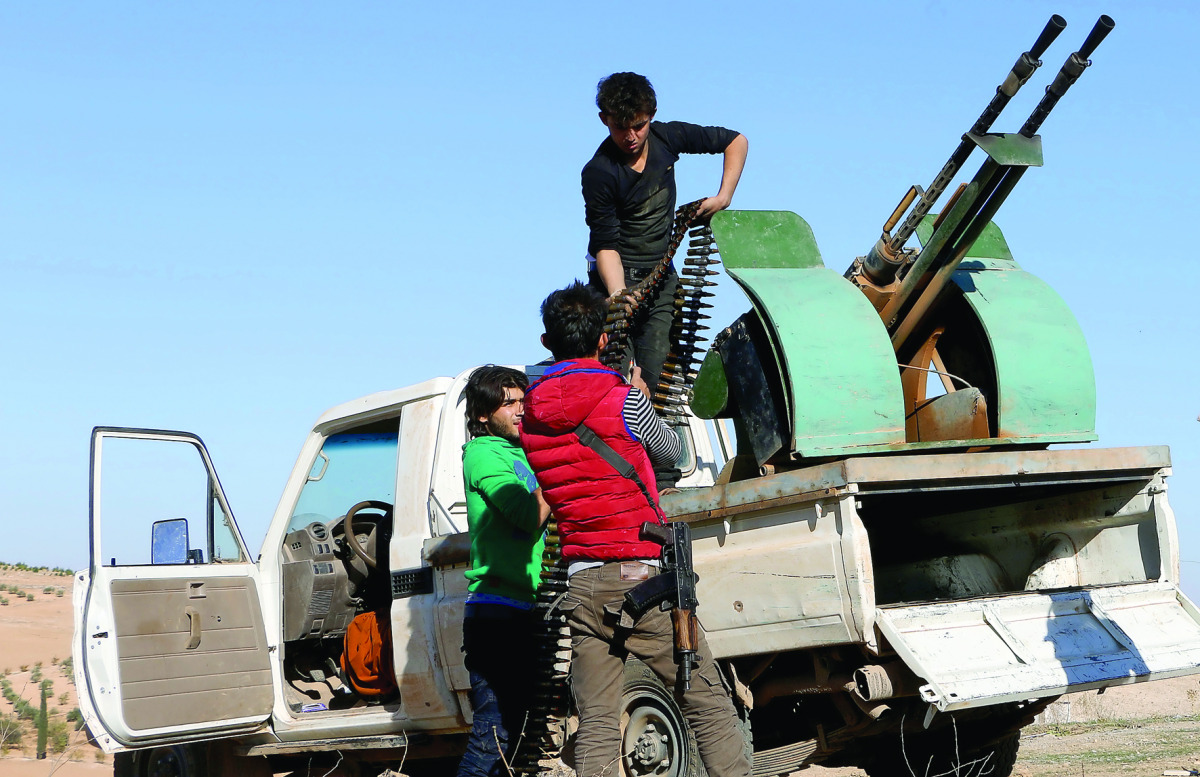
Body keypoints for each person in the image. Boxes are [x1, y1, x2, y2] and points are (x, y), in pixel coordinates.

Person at [520, 282, 750, 777]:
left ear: (547, 343)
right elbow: (677, 455)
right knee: (705, 702)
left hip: (581, 583)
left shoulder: (531, 422)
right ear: (602, 340)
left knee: (598, 721)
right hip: (641, 579)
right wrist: (642, 398)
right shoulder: (623, 399)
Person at [582, 71, 748, 397]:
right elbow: (605, 244)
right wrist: (618, 295)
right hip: (616, 281)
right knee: (620, 385)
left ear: (651, 116)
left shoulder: (667, 138)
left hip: (661, 280)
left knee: (658, 382)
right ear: (604, 119)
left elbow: (735, 140)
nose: (630, 135)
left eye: (639, 125)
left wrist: (724, 195)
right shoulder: (600, 172)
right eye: (620, 127)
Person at [456, 365, 552, 777]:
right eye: (507, 402)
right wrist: (557, 473)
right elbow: (527, 514)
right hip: (496, 614)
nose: (519, 409)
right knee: (491, 736)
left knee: (517, 737)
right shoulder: (482, 454)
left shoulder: (524, 452)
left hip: (524, 609)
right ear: (482, 414)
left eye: (521, 400)